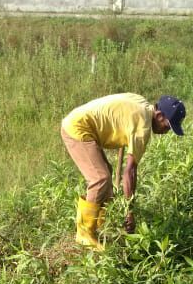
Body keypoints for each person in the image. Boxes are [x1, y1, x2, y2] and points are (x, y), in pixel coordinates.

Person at [60, 93, 185, 250]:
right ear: (159, 115)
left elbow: (120, 111)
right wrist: (129, 213)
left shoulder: (142, 103)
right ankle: (84, 233)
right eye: (167, 126)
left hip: (81, 121)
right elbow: (130, 173)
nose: (166, 131)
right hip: (77, 128)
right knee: (100, 178)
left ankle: (99, 226)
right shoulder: (143, 128)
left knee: (106, 171)